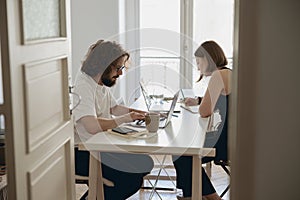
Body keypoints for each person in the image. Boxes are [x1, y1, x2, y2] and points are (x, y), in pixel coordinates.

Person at [73, 40, 154, 200]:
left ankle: (97, 194)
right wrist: (126, 118)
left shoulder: (100, 83)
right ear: (104, 65)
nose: (121, 73)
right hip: (82, 152)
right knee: (131, 179)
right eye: (118, 68)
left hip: (99, 146)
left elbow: (114, 108)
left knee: (145, 163)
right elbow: (91, 125)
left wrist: (137, 113)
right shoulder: (84, 85)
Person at [173, 40, 232, 200]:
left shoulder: (218, 75)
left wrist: (201, 104)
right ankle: (190, 195)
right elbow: (222, 99)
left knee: (181, 153)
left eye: (199, 62)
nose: (198, 67)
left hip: (225, 143)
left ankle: (211, 197)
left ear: (208, 59)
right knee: (182, 152)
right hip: (230, 137)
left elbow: (205, 112)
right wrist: (199, 100)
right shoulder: (227, 73)